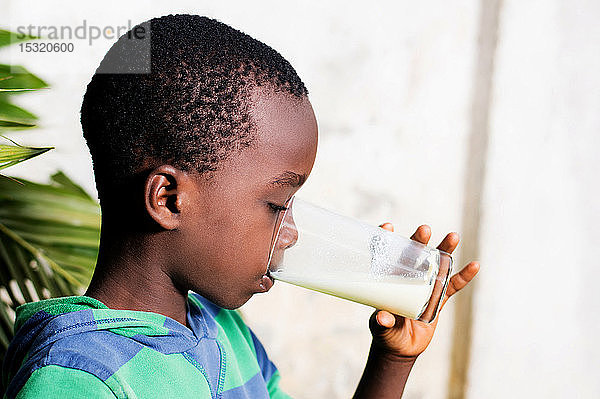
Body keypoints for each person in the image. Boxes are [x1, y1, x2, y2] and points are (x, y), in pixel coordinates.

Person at [1, 14, 479, 399]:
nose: (291, 232)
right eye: (278, 204)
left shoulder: (226, 335)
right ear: (168, 199)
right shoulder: (79, 379)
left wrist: (392, 360)